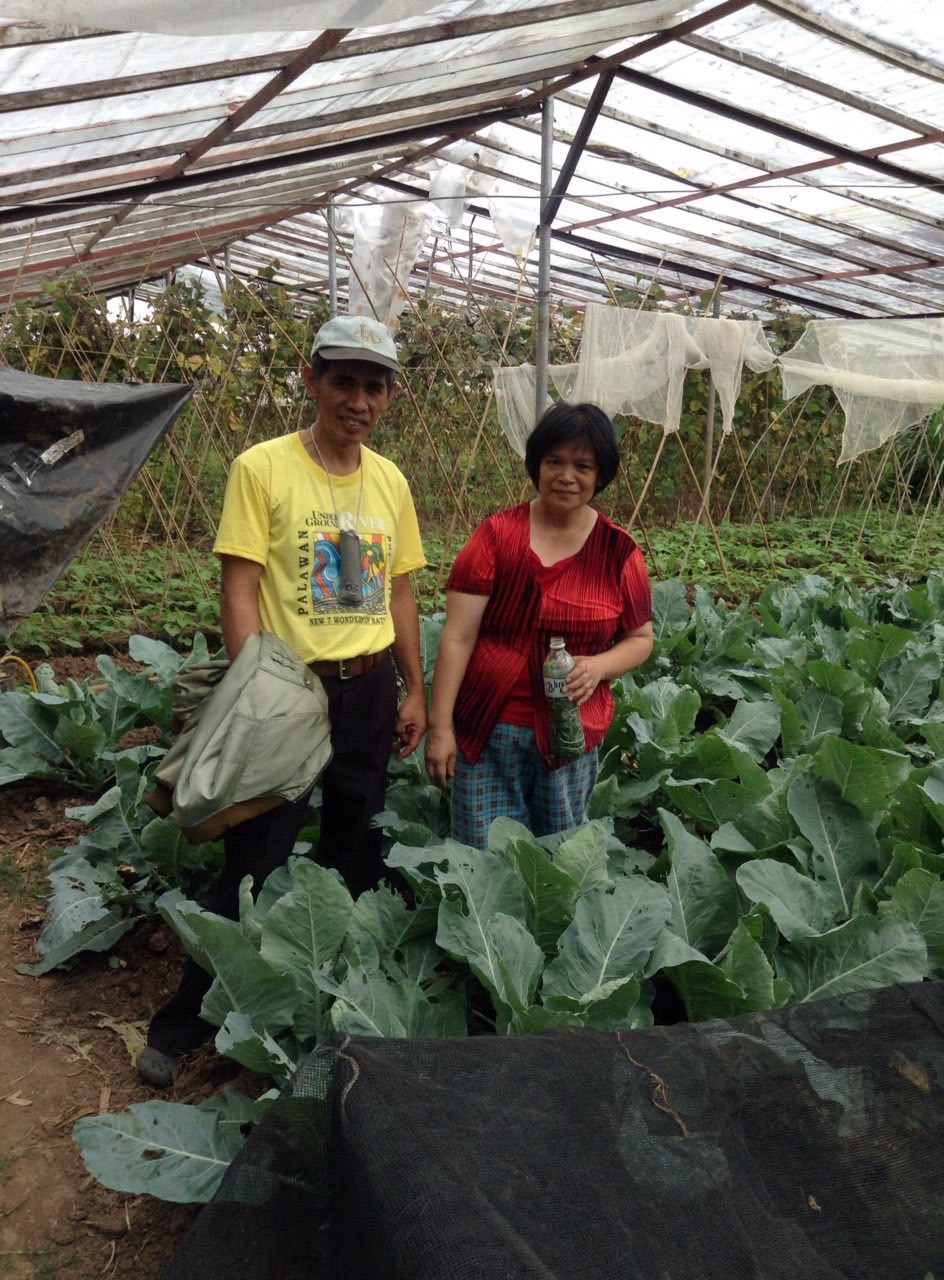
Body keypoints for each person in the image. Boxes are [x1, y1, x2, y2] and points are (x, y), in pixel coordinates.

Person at [137, 314, 426, 1087]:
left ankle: (329, 1009)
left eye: (374, 386)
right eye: (343, 381)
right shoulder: (262, 468)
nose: (358, 399)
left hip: (368, 691)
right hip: (289, 696)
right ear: (312, 381)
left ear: (389, 396)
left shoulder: (390, 481)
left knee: (353, 853)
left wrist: (416, 691)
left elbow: (399, 593)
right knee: (253, 863)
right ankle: (185, 1021)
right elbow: (238, 589)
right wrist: (253, 693)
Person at [424, 402, 653, 848]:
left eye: (582, 466)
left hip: (569, 739)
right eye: (555, 462)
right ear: (537, 466)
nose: (567, 476)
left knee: (559, 861)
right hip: (488, 734)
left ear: (600, 474)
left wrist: (601, 666)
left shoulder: (618, 551)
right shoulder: (495, 537)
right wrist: (441, 728)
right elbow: (457, 636)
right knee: (483, 858)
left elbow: (640, 639)